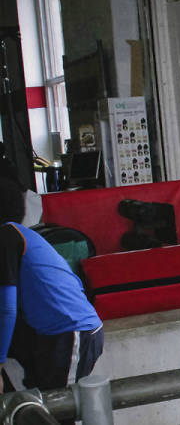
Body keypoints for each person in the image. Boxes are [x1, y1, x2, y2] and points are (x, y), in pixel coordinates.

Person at [0, 176, 103, 425]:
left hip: (70, 332)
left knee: (57, 411)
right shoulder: (18, 235)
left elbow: (6, 308)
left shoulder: (7, 236)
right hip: (50, 334)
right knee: (35, 407)